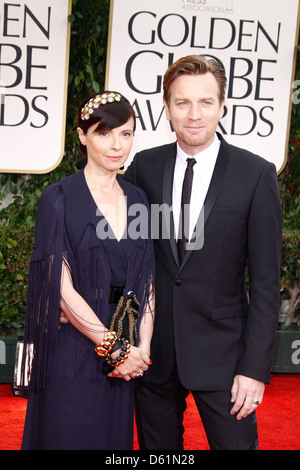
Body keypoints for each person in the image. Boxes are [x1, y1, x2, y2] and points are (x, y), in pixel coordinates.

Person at [123, 55, 282, 450]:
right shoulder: (144, 166)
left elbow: (265, 283)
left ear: (222, 106)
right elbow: (127, 260)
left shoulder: (256, 174)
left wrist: (254, 369)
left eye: (205, 102)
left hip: (226, 360)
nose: (194, 114)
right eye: (183, 103)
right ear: (167, 108)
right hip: (154, 356)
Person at [20, 91, 155, 450]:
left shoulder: (139, 199)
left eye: (125, 134)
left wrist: (141, 349)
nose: (116, 145)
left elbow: (146, 281)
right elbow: (59, 288)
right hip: (75, 349)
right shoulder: (59, 197)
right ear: (82, 136)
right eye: (103, 133)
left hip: (123, 350)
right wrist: (115, 349)